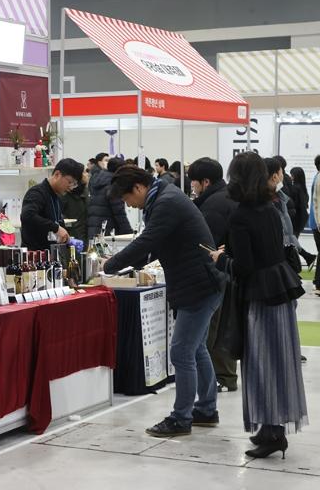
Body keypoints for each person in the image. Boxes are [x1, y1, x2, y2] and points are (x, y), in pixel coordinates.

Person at [103, 165, 225, 437]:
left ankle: (181, 418)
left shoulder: (166, 202)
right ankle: (206, 409)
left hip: (199, 285)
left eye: (127, 199)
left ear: (138, 188)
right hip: (201, 282)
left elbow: (146, 242)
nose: (129, 205)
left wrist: (109, 265)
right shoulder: (164, 197)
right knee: (196, 349)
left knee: (181, 352)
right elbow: (154, 246)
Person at [209, 152, 307, 459]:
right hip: (280, 291)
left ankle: (272, 434)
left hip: (260, 298)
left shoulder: (241, 214)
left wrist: (221, 259)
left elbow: (246, 267)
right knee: (278, 364)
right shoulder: (270, 206)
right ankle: (271, 430)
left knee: (260, 366)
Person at [188, 157, 239, 392]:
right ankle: (225, 377)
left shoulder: (213, 205)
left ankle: (219, 379)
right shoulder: (226, 197)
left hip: (219, 273)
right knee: (225, 325)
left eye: (194, 183)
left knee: (215, 330)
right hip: (231, 270)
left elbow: (207, 244)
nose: (193, 188)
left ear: (205, 182)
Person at [20, 158, 85, 250]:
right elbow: (27, 216)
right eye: (70, 182)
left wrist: (68, 240)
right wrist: (56, 228)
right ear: (57, 174)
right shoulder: (37, 193)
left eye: (74, 184)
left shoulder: (55, 196)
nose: (71, 187)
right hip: (34, 256)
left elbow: (54, 224)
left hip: (50, 255)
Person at [87, 157, 133, 239]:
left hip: (94, 229)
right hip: (109, 232)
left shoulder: (97, 181)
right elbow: (119, 213)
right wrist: (129, 233)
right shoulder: (113, 186)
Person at [289, 166, 315, 268]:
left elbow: (292, 205)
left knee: (291, 243)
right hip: (302, 219)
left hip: (296, 220)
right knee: (292, 242)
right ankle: (307, 258)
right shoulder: (303, 189)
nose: (290, 177)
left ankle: (304, 260)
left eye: (292, 175)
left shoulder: (295, 188)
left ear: (295, 176)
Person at [61, 169, 89, 241]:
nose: (87, 174)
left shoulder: (85, 191)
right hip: (70, 234)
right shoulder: (65, 193)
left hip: (86, 234)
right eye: (84, 172)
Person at [310, 155, 320, 293]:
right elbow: (317, 203)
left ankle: (317, 282)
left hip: (315, 222)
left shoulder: (316, 177)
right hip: (318, 222)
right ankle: (318, 283)